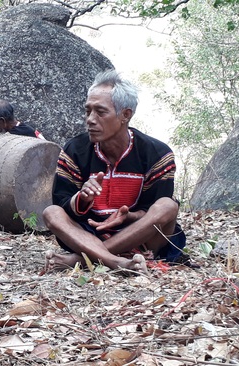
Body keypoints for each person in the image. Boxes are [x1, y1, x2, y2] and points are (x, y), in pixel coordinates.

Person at [42, 69, 186, 274]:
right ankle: (116, 261)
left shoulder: (157, 154)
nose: (90, 119)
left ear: (125, 115)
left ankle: (80, 261)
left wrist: (127, 217)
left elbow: (154, 209)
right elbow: (61, 201)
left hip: (141, 237)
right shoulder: (75, 150)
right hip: (89, 236)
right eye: (88, 111)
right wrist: (82, 199)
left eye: (100, 112)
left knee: (167, 206)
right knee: (51, 212)